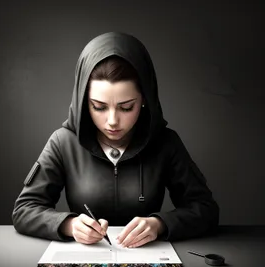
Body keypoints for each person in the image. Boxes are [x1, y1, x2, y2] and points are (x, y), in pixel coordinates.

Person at [12, 31, 220, 248]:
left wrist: (159, 224)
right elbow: (24, 210)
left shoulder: (166, 142)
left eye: (126, 107)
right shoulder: (63, 142)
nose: (112, 121)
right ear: (84, 101)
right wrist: (69, 225)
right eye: (99, 107)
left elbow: (206, 209)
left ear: (145, 99)